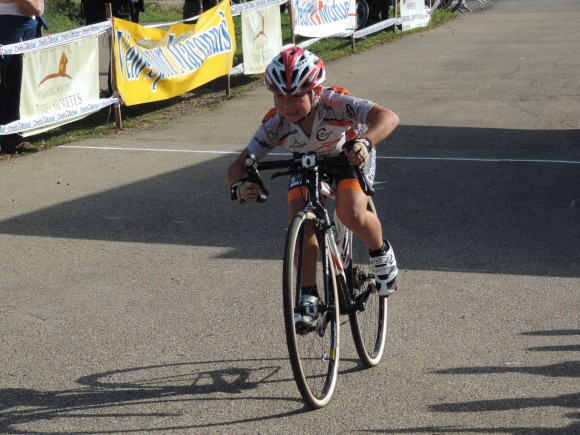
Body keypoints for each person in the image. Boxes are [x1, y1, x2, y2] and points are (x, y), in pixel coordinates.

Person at [226, 46, 400, 329]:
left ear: (316, 92)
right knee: (302, 222)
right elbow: (236, 167)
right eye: (278, 94)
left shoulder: (337, 103)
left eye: (295, 95)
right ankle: (308, 293)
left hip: (348, 154)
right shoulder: (275, 123)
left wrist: (365, 142)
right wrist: (239, 186)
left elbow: (388, 117)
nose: (286, 103)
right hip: (306, 163)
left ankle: (381, 252)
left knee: (349, 213)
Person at [0, 0, 44, 155]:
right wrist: (34, 7)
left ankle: (17, 134)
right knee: (12, 84)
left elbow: (38, 8)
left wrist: (36, 8)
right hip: (9, 28)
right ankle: (11, 137)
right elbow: (35, 8)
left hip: (27, 27)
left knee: (24, 83)